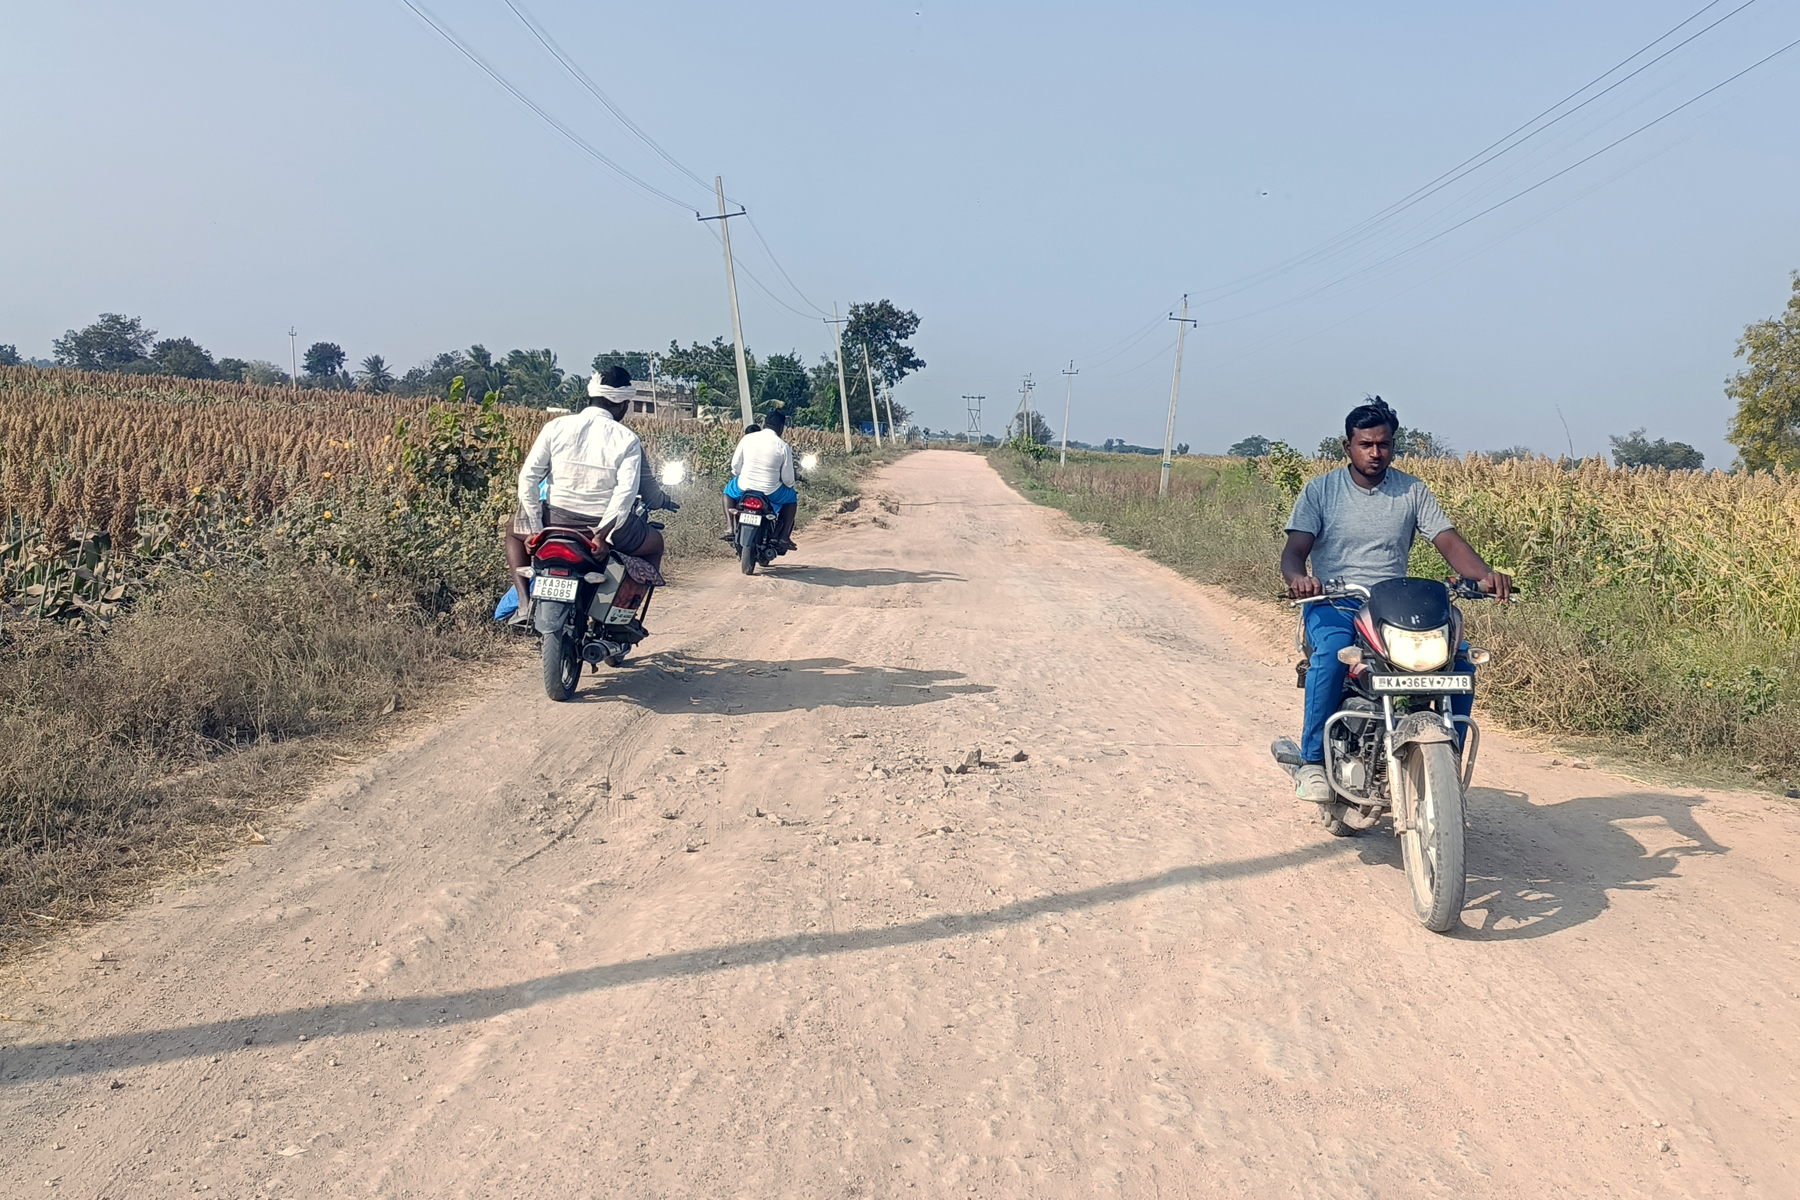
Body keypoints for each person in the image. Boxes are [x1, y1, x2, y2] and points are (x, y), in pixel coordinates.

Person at [1280, 398, 1511, 804]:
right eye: (1365, 444)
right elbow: (1295, 551)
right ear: (1348, 446)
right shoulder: (1321, 491)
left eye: (1383, 444)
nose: (1375, 452)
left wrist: (1484, 576)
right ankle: (1312, 761)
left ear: (1393, 446)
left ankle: (1446, 763)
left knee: (1458, 660)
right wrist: (1300, 580)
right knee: (1332, 654)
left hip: (1393, 606)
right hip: (1337, 602)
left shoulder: (1412, 490)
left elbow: (1448, 542)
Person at [509, 367, 666, 618]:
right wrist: (603, 535)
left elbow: (528, 478)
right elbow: (625, 494)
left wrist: (536, 531)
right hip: (596, 529)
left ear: (591, 396)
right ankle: (624, 615)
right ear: (623, 404)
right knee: (655, 543)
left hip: (552, 523)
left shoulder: (555, 426)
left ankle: (524, 604)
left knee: (512, 530)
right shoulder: (627, 438)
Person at [721, 408, 798, 552]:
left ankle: (730, 527)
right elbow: (788, 480)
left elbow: (735, 466)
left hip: (744, 487)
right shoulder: (783, 446)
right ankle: (783, 537)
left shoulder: (747, 438)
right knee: (791, 498)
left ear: (764, 423)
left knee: (728, 491)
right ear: (781, 427)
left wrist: (740, 474)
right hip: (770, 492)